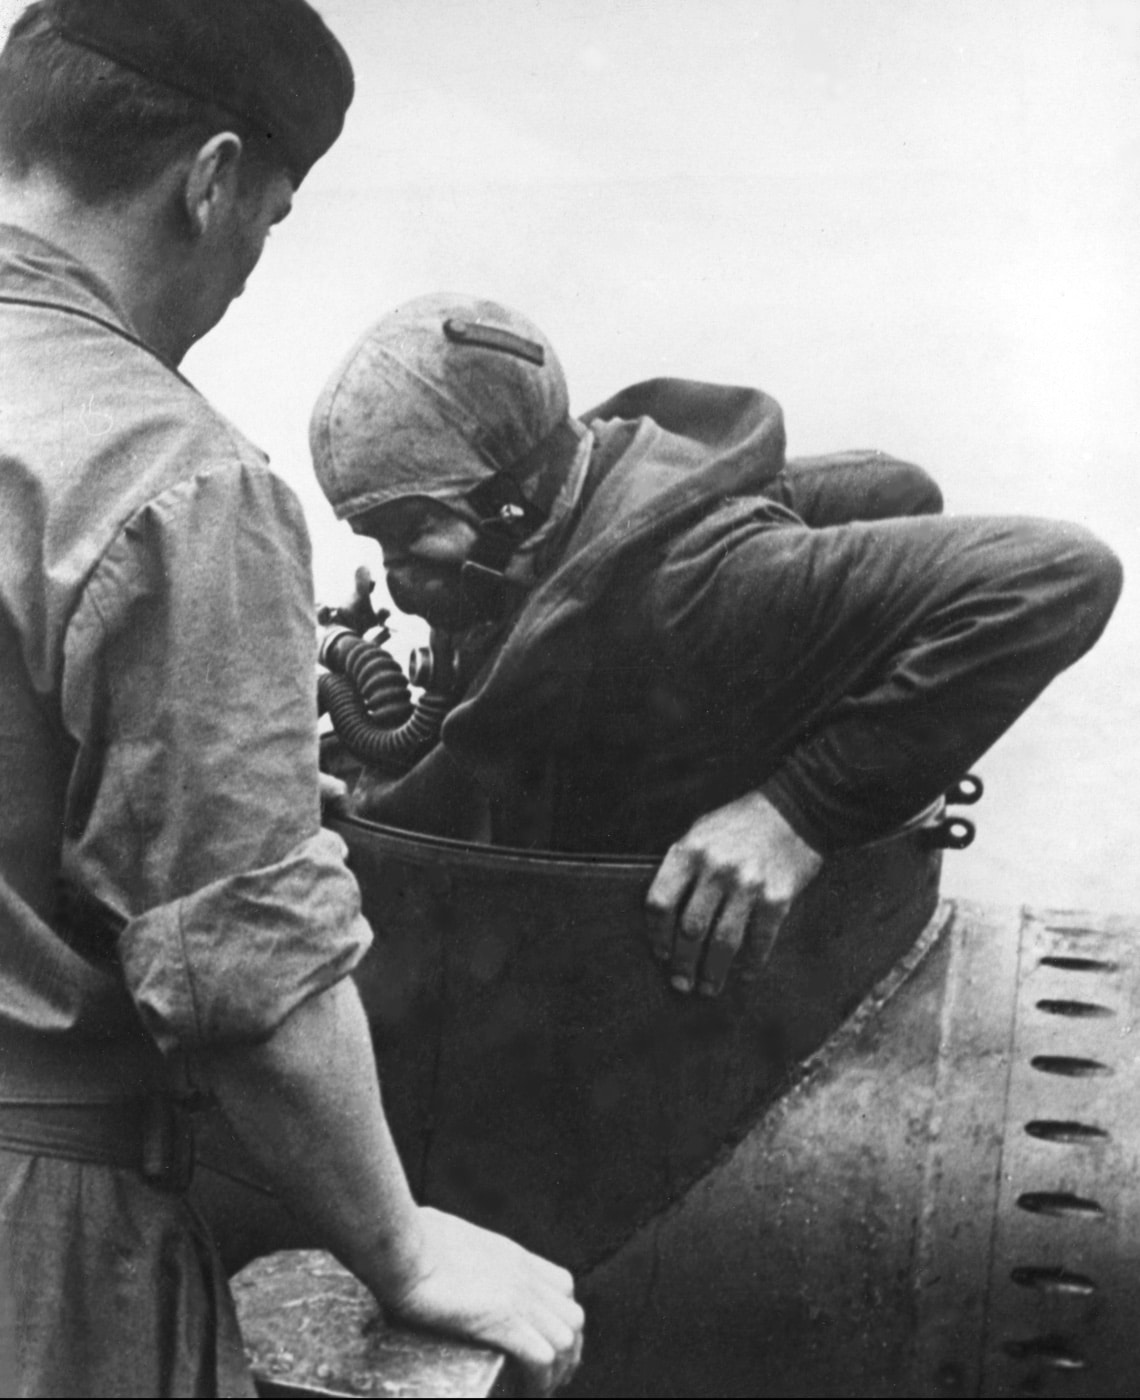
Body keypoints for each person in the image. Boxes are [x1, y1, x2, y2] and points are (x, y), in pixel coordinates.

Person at [0, 10, 582, 1397]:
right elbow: (246, 975)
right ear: (208, 182)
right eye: (265, 220)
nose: (245, 270)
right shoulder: (173, 477)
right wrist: (402, 1249)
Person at [310, 293, 1123, 998]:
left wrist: (797, 810)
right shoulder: (594, 486)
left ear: (513, 502)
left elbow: (1063, 572)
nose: (398, 575)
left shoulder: (688, 592)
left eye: (410, 532)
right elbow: (902, 488)